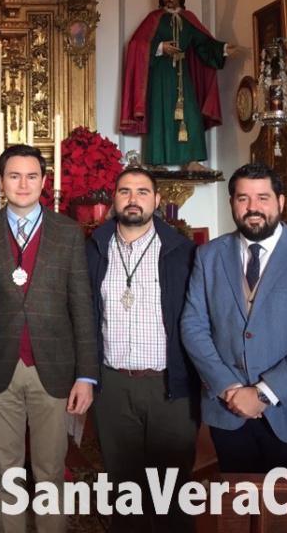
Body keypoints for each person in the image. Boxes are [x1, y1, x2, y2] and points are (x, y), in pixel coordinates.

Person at [181, 163, 287, 474]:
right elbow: (193, 326)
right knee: (238, 515)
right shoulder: (208, 256)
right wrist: (229, 388)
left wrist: (262, 394)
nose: (252, 208)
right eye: (243, 198)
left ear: (280, 202)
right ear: (231, 203)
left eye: (262, 198)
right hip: (229, 414)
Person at [0, 145, 98, 533]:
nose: (23, 184)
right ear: (1, 181)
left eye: (31, 176)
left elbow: (82, 305)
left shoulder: (67, 231)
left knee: (50, 473)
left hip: (54, 369)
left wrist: (86, 375)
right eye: (14, 176)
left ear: (44, 182)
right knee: (5, 472)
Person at [86, 167, 198, 532]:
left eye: (142, 192)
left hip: (169, 385)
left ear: (157, 200)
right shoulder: (94, 248)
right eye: (125, 191)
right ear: (113, 199)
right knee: (124, 491)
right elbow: (83, 315)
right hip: (114, 386)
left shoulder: (184, 252)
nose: (133, 199)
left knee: (172, 491)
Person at [120, 0, 232, 166]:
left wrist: (225, 49)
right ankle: (157, 162)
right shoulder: (154, 18)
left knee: (189, 112)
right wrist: (160, 47)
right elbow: (136, 45)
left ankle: (192, 160)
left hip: (183, 75)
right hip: (159, 76)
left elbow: (203, 45)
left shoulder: (189, 19)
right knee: (159, 112)